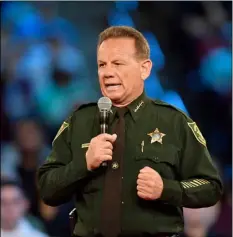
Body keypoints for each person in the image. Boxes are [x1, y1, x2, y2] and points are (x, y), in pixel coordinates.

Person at [37, 26, 223, 237]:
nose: (107, 73)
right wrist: (83, 164)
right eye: (102, 64)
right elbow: (46, 189)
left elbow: (211, 187)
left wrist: (166, 189)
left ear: (144, 69)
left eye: (117, 63)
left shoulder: (174, 122)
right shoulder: (78, 122)